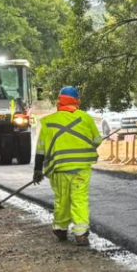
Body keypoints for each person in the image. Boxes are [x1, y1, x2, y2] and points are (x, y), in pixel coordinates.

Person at [32, 85, 101, 247]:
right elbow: (97, 141)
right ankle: (81, 234)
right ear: (77, 101)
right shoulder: (86, 118)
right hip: (81, 169)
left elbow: (40, 149)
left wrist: (37, 169)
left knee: (62, 199)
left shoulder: (48, 123)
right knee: (79, 199)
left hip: (59, 169)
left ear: (59, 102)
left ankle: (60, 228)